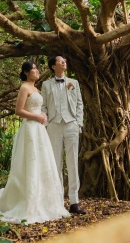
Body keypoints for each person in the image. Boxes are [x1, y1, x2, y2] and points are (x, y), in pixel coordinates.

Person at [0, 61, 70, 224]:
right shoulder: (24, 87)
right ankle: (26, 199)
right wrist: (36, 116)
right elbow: (19, 111)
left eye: (37, 68)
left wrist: (42, 115)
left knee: (42, 161)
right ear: (26, 72)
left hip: (39, 129)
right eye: (34, 69)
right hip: (30, 129)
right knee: (30, 161)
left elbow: (36, 108)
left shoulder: (36, 89)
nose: (37, 71)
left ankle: (44, 201)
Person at [40, 54, 87, 215]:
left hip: (71, 124)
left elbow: (80, 104)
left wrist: (78, 123)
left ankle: (74, 202)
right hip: (54, 125)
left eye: (65, 60)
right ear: (53, 66)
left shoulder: (74, 83)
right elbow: (43, 106)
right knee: (56, 164)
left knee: (73, 163)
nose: (64, 62)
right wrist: (47, 124)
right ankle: (58, 201)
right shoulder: (46, 85)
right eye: (61, 61)